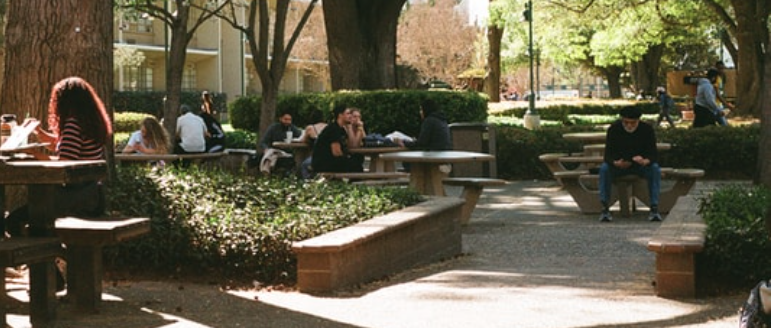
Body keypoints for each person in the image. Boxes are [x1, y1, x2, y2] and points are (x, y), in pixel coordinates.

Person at [598, 106, 661, 222]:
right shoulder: (614, 129)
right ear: (622, 120)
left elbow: (653, 154)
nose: (629, 125)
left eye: (633, 123)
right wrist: (615, 162)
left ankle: (654, 207)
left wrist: (645, 161)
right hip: (619, 166)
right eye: (626, 122)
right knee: (604, 169)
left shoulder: (647, 129)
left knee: (655, 169)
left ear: (638, 121)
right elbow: (607, 155)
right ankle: (605, 207)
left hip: (640, 166)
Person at [312, 105, 362, 173]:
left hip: (333, 161)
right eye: (348, 114)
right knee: (356, 167)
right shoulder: (333, 129)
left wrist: (350, 127)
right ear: (340, 115)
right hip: (324, 163)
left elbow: (352, 146)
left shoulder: (341, 129)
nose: (350, 116)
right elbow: (336, 152)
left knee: (358, 159)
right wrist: (347, 158)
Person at [299, 109, 328, 179]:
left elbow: (303, 140)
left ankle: (306, 182)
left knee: (304, 165)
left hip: (317, 157)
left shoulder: (310, 128)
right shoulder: (328, 126)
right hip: (328, 156)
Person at [712, 61, 734, 126]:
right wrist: (727, 105)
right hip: (715, 105)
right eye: (719, 68)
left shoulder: (720, 78)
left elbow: (721, 93)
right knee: (724, 125)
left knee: (723, 124)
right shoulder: (715, 79)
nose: (721, 70)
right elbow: (717, 94)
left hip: (719, 104)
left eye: (722, 68)